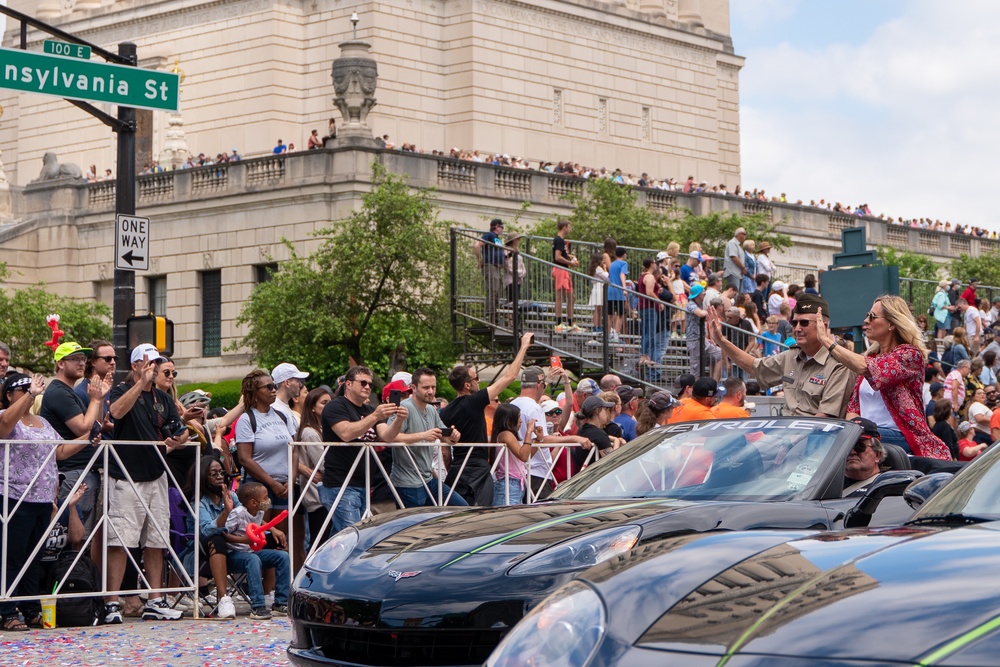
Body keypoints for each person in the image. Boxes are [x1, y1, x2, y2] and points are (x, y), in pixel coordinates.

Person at [104, 343, 190, 623]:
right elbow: (115, 413)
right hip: (126, 475)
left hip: (156, 473)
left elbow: (179, 429)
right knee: (120, 539)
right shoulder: (120, 389)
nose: (154, 368)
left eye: (157, 363)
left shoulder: (163, 399)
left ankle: (155, 599)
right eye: (149, 362)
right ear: (136, 365)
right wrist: (139, 383)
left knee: (156, 540)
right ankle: (112, 602)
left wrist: (180, 438)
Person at [817, 295, 949, 459]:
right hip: (866, 435)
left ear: (892, 324)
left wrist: (827, 342)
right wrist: (854, 427)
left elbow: (865, 367)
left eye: (872, 316)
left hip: (901, 437)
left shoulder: (910, 355)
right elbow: (853, 408)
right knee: (829, 433)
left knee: (841, 437)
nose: (866, 320)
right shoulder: (871, 356)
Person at [708, 293, 855, 418]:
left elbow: (825, 417)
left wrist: (786, 446)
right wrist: (721, 340)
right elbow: (754, 367)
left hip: (815, 442)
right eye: (794, 323)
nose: (797, 329)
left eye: (804, 323)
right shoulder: (792, 356)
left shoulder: (839, 364)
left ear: (823, 326)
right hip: (786, 435)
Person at [441, 332, 534, 505]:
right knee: (482, 516)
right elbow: (509, 377)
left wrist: (451, 468)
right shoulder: (473, 402)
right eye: (476, 378)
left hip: (457, 468)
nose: (479, 381)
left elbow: (446, 451)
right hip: (477, 469)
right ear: (467, 385)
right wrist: (523, 347)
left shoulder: (445, 412)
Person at [320, 365, 407, 532]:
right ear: (348, 384)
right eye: (363, 383)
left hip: (364, 483)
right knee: (353, 535)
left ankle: (324, 558)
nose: (367, 387)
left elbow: (387, 436)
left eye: (370, 384)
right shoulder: (335, 406)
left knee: (343, 536)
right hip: (341, 482)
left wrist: (398, 420)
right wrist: (375, 416)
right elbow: (346, 433)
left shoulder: (369, 409)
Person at [0, 373, 55, 630]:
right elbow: (5, 426)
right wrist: (31, 395)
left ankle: (31, 607)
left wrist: (88, 440)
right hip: (14, 495)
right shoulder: (5, 416)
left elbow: (60, 449)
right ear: (9, 394)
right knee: (11, 555)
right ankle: (7, 611)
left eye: (30, 387)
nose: (29, 390)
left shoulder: (42, 421)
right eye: (21, 388)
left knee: (33, 557)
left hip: (42, 497)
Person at [40, 342, 110, 534]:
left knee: (83, 535)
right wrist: (95, 400)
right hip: (73, 472)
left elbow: (95, 425)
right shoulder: (59, 392)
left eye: (83, 359)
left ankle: (77, 565)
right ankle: (69, 565)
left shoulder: (68, 392)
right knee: (74, 536)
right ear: (60, 363)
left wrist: (100, 398)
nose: (81, 363)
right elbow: (83, 427)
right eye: (75, 359)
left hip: (82, 470)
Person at [233, 369, 297, 540]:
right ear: (255, 392)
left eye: (274, 386)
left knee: (281, 538)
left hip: (284, 486)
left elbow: (294, 449)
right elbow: (244, 458)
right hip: (259, 486)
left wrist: (291, 480)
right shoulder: (247, 419)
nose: (273, 390)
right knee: (262, 538)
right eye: (268, 387)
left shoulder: (282, 416)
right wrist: (272, 483)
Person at [389, 368, 466, 508]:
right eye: (426, 387)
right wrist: (423, 435)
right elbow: (391, 438)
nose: (430, 391)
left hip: (428, 479)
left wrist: (453, 436)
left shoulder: (431, 409)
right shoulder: (404, 408)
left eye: (433, 387)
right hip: (408, 482)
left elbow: (445, 436)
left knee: (461, 507)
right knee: (415, 526)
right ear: (413, 388)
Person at [225, 482, 290, 620]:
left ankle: (281, 602)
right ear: (253, 502)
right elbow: (224, 534)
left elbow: (260, 522)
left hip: (252, 552)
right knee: (253, 560)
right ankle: (258, 606)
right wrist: (243, 540)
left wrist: (273, 529)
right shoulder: (238, 514)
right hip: (234, 555)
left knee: (283, 556)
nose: (268, 500)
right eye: (265, 497)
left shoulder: (259, 511)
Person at [187, 456, 238, 619]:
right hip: (200, 552)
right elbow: (206, 531)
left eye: (221, 472)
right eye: (213, 473)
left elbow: (245, 517)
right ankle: (223, 599)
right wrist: (226, 512)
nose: (219, 477)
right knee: (217, 538)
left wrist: (271, 528)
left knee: (275, 542)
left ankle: (272, 598)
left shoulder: (231, 497)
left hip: (233, 546)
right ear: (203, 477)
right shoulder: (199, 503)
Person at [295, 386, 334, 560]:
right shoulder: (310, 432)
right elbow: (324, 464)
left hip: (324, 493)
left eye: (330, 403)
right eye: (324, 403)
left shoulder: (322, 429)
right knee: (319, 543)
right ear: (312, 407)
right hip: (317, 496)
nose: (328, 406)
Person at [490, 403, 538, 506]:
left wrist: (538, 440)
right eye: (518, 417)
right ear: (508, 420)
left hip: (515, 484)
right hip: (508, 484)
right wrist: (529, 432)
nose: (521, 421)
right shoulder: (506, 434)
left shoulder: (507, 435)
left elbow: (526, 456)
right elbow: (523, 456)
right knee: (505, 519)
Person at [571, 396, 617, 471]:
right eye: (605, 409)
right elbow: (612, 463)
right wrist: (616, 441)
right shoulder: (598, 434)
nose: (606, 413)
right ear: (597, 411)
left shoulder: (583, 430)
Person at [552, 219, 582, 332]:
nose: (570, 229)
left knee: (571, 297)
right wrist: (570, 263)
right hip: (560, 269)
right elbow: (557, 257)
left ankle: (570, 322)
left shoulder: (561, 241)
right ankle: (558, 323)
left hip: (564, 270)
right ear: (564, 227)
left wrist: (569, 256)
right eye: (569, 226)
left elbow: (562, 254)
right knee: (560, 296)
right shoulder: (558, 239)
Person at [843, 418, 886, 495]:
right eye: (847, 447)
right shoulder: (826, 484)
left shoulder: (884, 488)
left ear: (877, 455)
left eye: (859, 447)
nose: (852, 452)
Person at [475, 218, 506, 325]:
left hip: (497, 267)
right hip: (491, 266)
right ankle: (489, 315)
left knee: (496, 291)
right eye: (501, 227)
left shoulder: (497, 239)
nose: (502, 229)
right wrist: (479, 260)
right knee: (492, 290)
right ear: (496, 226)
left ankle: (494, 315)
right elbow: (477, 245)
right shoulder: (488, 235)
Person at [607, 247, 629, 340]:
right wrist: (624, 288)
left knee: (610, 314)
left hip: (610, 290)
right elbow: (622, 274)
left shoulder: (612, 264)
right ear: (624, 254)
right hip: (619, 291)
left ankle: (608, 335)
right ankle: (616, 335)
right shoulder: (624, 263)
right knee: (619, 314)